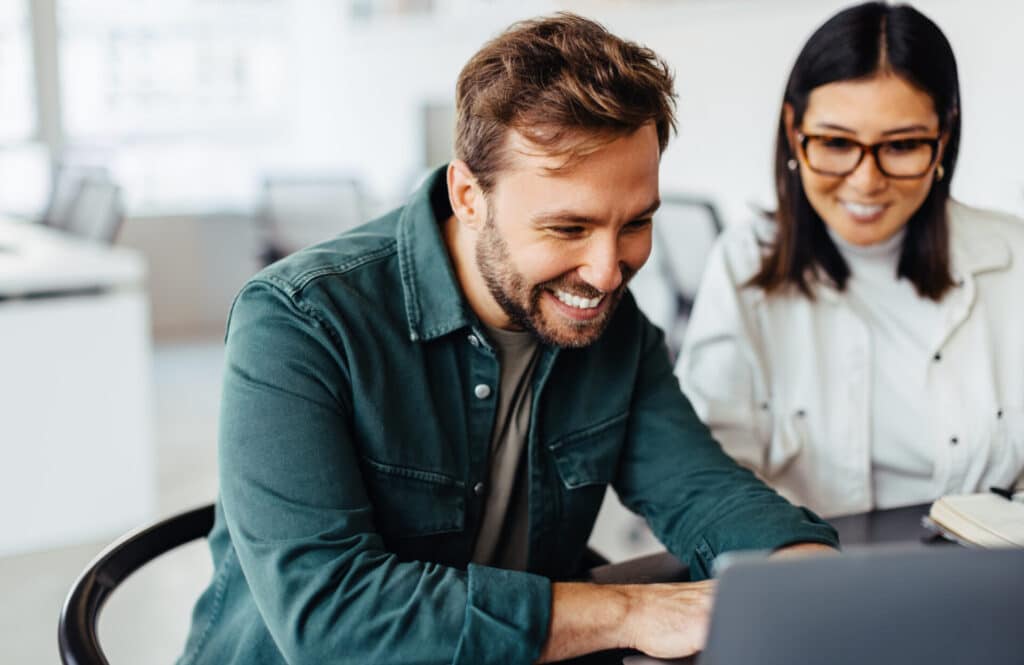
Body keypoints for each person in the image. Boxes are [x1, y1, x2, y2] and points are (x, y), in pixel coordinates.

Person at [177, 14, 838, 665]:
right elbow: (333, 620)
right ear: (469, 196)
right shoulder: (298, 322)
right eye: (568, 228)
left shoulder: (611, 324)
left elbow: (702, 490)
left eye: (635, 222)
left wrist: (808, 575)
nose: (607, 273)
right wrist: (628, 610)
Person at [676, 2, 1024, 519]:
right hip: (808, 578)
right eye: (837, 143)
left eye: (902, 145)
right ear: (794, 130)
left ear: (943, 139)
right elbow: (705, 478)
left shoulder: (1014, 257)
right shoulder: (744, 263)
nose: (866, 181)